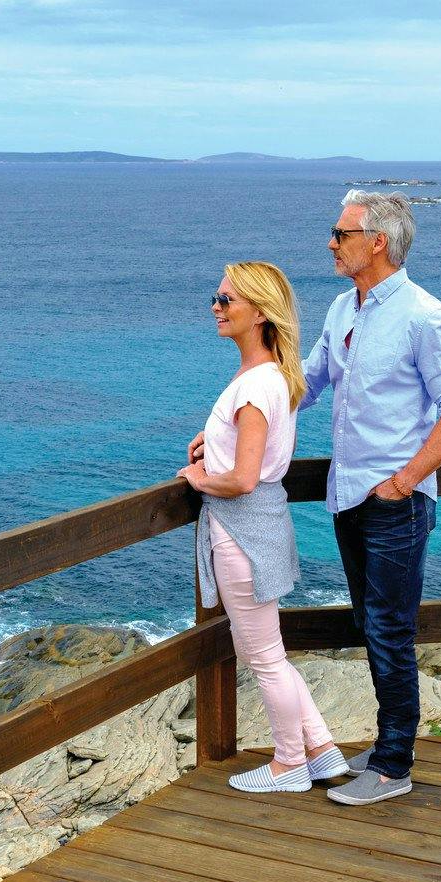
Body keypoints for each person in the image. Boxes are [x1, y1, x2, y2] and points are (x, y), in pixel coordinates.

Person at [299, 190, 441, 805]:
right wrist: (234, 419)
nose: (331, 242)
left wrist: (403, 481)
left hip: (395, 503)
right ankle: (384, 748)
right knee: (370, 625)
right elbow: (308, 383)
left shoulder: (424, 316)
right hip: (348, 498)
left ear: (376, 241)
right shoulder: (340, 310)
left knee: (388, 630)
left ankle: (394, 765)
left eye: (340, 233)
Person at [178, 262, 351, 794]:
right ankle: (321, 751)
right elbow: (258, 450)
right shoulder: (274, 374)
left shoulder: (254, 386)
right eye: (217, 296)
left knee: (263, 658)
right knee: (270, 651)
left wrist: (199, 478)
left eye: (227, 299)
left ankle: (287, 764)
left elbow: (244, 479)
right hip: (264, 527)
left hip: (241, 531)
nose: (216, 306)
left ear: (259, 312)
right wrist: (216, 443)